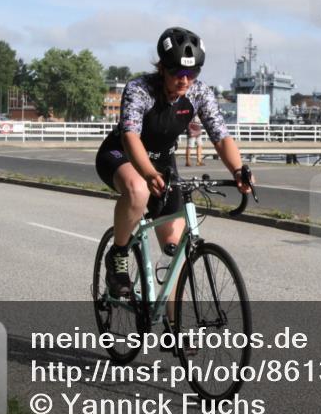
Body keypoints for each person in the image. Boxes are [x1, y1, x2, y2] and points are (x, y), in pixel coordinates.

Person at [95, 27, 253, 297]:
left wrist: (238, 170)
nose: (185, 80)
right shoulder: (140, 89)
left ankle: (170, 321)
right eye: (177, 72)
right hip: (122, 155)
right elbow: (130, 136)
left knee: (176, 253)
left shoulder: (199, 93)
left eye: (192, 72)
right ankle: (118, 254)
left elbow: (221, 137)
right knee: (138, 189)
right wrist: (147, 173)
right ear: (162, 68)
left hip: (163, 163)